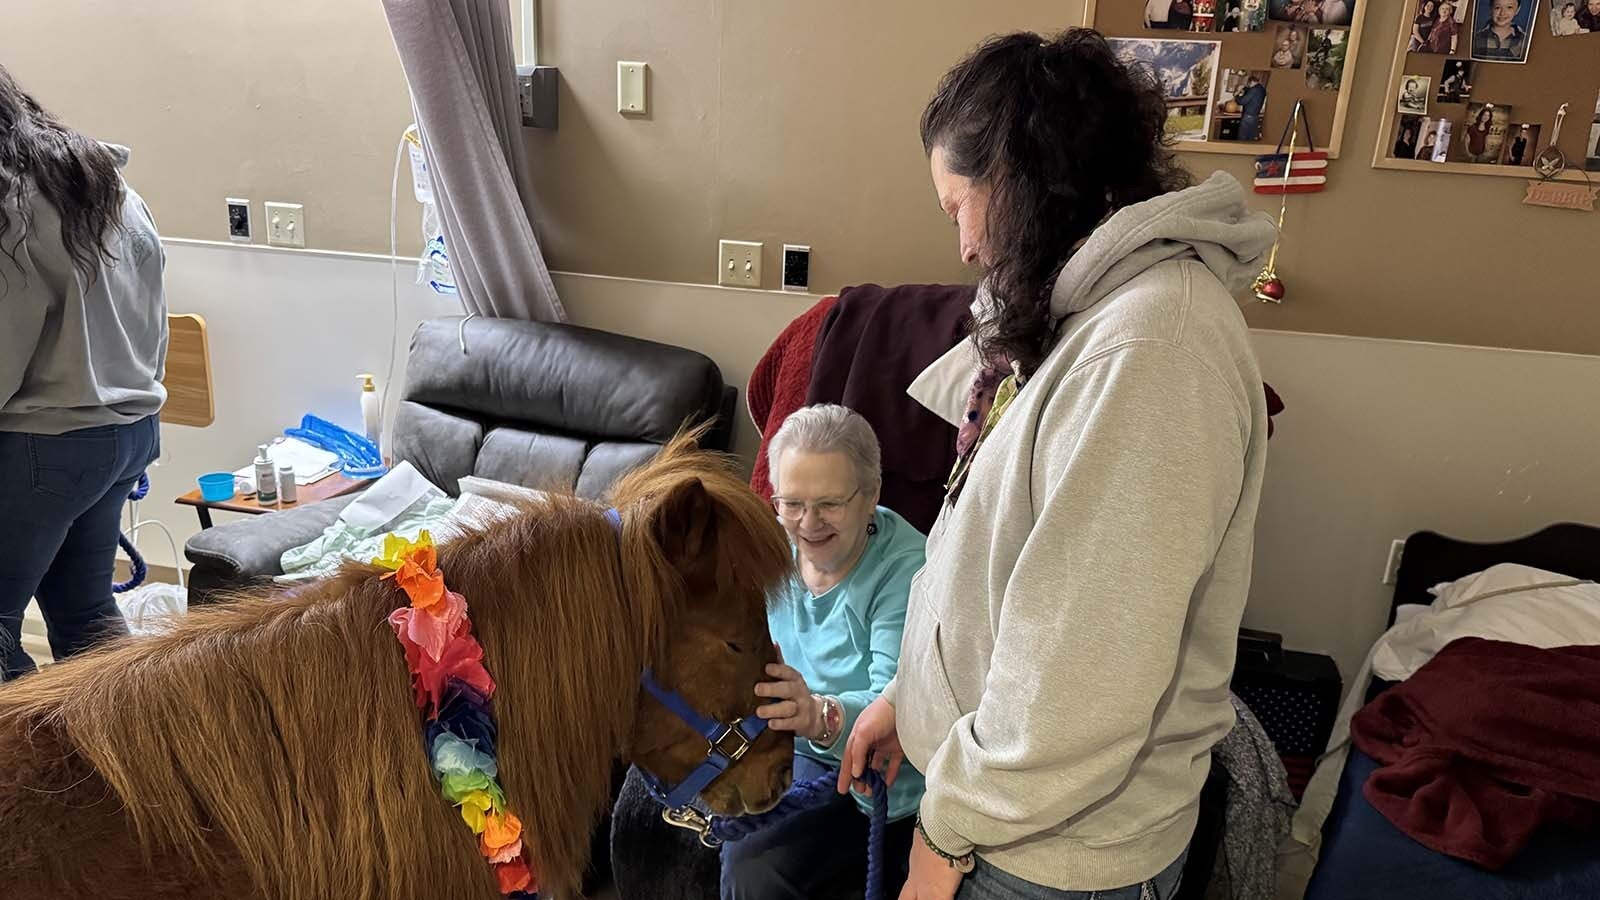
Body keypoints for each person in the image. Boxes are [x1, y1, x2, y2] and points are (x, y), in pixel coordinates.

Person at [838, 29, 1272, 900]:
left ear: (1022, 181)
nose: (960, 247)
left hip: (1047, 854)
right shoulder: (1073, 319)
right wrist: (910, 701)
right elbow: (994, 573)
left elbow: (1077, 692)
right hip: (1013, 821)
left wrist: (946, 834)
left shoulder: (1149, 350)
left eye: (957, 206)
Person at [0, 65, 165, 681]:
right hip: (128, 432)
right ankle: (128, 763)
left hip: (45, 449)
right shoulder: (109, 188)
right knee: (85, 611)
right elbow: (155, 317)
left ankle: (33, 773)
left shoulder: (12, 211)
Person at [721, 404, 926, 899]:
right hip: (794, 745)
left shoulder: (909, 572)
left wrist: (815, 714)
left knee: (753, 868)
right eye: (791, 503)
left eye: (829, 504)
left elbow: (894, 712)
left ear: (871, 494)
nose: (807, 524)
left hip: (880, 785)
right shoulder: (771, 547)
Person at [1236, 75, 1267, 141]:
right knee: (1250, 138)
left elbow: (1242, 101)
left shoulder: (1253, 90)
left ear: (1251, 82)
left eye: (1248, 84)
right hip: (1255, 117)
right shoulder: (1262, 89)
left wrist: (1237, 95)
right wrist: (1244, 88)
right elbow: (1249, 90)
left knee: (1242, 138)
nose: (1248, 85)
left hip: (1248, 118)